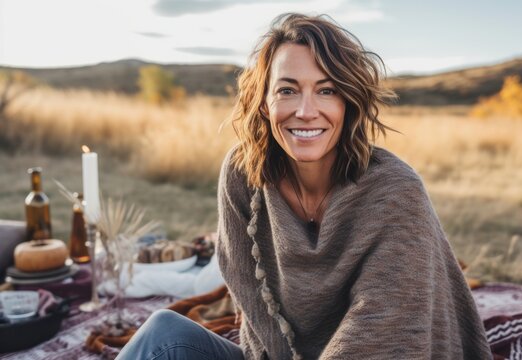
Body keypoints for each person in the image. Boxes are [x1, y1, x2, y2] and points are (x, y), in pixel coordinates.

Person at [118, 13, 492, 360]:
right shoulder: (242, 172)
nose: (306, 111)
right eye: (287, 90)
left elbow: (380, 330)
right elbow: (252, 302)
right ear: (265, 103)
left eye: (327, 90)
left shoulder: (394, 190)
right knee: (164, 334)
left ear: (348, 102)